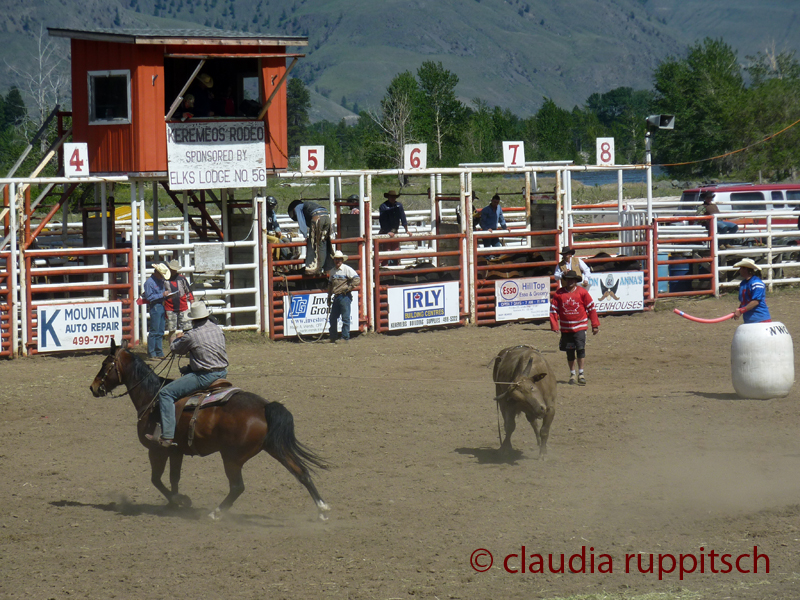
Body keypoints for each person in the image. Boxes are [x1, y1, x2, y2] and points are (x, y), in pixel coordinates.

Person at [146, 301, 229, 448]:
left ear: (194, 320)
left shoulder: (192, 335)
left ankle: (168, 436)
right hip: (222, 371)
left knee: (166, 393)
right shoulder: (217, 329)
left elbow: (175, 349)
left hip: (205, 376)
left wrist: (175, 337)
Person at [550, 270, 600, 385]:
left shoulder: (582, 292)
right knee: (570, 351)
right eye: (568, 279)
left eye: (572, 279)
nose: (570, 281)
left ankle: (581, 373)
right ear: (565, 280)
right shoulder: (559, 294)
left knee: (580, 349)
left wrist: (595, 325)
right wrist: (554, 325)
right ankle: (572, 374)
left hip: (580, 326)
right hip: (566, 328)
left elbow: (591, 308)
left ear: (575, 280)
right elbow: (553, 310)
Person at [287, 199, 334, 275]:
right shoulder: (309, 206)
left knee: (313, 243)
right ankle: (327, 267)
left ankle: (313, 268)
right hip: (326, 216)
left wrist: (305, 234)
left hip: (317, 217)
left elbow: (301, 221)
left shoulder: (298, 208)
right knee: (323, 243)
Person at [327, 250, 361, 343]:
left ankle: (345, 337)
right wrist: (329, 297)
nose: (337, 261)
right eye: (336, 259)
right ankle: (333, 336)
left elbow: (357, 279)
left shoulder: (346, 269)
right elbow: (330, 285)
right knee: (333, 318)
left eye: (339, 259)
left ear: (342, 260)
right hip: (337, 296)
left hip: (344, 296)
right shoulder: (333, 271)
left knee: (345, 317)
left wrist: (349, 288)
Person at [143, 263, 171, 359]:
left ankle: (158, 352)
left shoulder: (159, 281)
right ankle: (152, 352)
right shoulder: (149, 283)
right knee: (154, 330)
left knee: (160, 330)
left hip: (160, 306)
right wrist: (162, 295)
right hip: (155, 306)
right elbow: (149, 297)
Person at [733, 258, 771, 323]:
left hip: (760, 320)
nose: (739, 270)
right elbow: (744, 302)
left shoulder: (757, 283)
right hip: (749, 320)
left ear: (746, 269)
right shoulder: (743, 284)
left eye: (741, 268)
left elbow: (755, 302)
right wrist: (739, 310)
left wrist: (741, 311)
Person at [379, 190, 409, 265]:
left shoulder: (398, 206)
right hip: (386, 231)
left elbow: (403, 218)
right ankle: (385, 266)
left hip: (394, 231)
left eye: (394, 197)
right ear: (388, 197)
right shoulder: (383, 206)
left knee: (396, 251)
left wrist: (406, 230)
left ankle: (396, 266)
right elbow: (383, 220)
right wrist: (387, 231)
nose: (392, 198)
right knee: (387, 250)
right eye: (391, 197)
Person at [165, 259, 194, 335]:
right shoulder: (164, 279)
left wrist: (192, 302)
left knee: (187, 329)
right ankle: (173, 346)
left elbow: (188, 291)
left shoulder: (182, 278)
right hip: (170, 307)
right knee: (171, 331)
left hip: (183, 307)